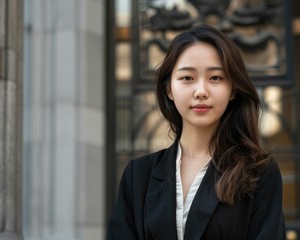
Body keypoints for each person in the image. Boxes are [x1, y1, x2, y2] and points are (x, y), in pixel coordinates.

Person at [107, 24, 286, 240]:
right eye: (187, 78)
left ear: (232, 90)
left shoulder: (259, 172)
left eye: (216, 78)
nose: (201, 91)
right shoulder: (138, 175)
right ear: (169, 89)